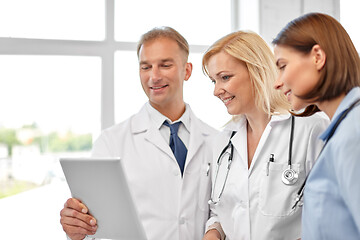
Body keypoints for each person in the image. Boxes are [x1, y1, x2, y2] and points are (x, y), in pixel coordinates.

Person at [60, 26, 218, 240]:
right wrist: (76, 229)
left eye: (165, 65)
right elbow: (93, 228)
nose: (154, 76)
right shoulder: (111, 142)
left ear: (187, 70)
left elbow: (223, 212)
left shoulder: (217, 141)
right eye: (146, 67)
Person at [201, 30, 328, 240]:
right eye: (214, 81)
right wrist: (213, 232)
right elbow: (221, 211)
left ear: (257, 71)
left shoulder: (311, 127)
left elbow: (331, 211)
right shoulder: (223, 141)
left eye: (225, 77)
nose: (217, 91)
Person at [273, 12, 360, 240]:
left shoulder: (355, 130)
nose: (277, 83)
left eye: (282, 66)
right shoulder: (343, 128)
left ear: (318, 57)